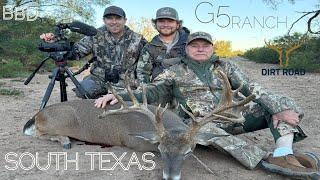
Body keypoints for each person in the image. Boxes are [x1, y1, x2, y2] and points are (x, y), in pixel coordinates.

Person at [94, 32, 319, 178]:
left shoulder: (226, 66)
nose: (200, 49)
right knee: (201, 129)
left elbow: (252, 88)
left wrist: (279, 108)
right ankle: (265, 160)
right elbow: (152, 90)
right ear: (187, 49)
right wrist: (123, 95)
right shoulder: (173, 71)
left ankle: (283, 152)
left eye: (205, 45)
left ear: (211, 48)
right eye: (195, 45)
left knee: (279, 106)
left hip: (232, 118)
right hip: (198, 125)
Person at [40, 6, 147, 98]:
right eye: (109, 18)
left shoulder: (138, 39)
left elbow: (150, 62)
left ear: (125, 20)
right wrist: (54, 44)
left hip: (126, 83)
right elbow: (75, 53)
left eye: (118, 18)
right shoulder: (95, 35)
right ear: (104, 20)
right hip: (98, 79)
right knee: (83, 91)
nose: (114, 22)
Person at [136, 7, 190, 83]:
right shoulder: (149, 47)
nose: (165, 24)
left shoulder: (191, 43)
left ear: (178, 24)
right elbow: (143, 73)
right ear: (155, 24)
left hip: (187, 88)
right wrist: (146, 91)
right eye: (161, 21)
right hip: (159, 89)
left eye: (170, 21)